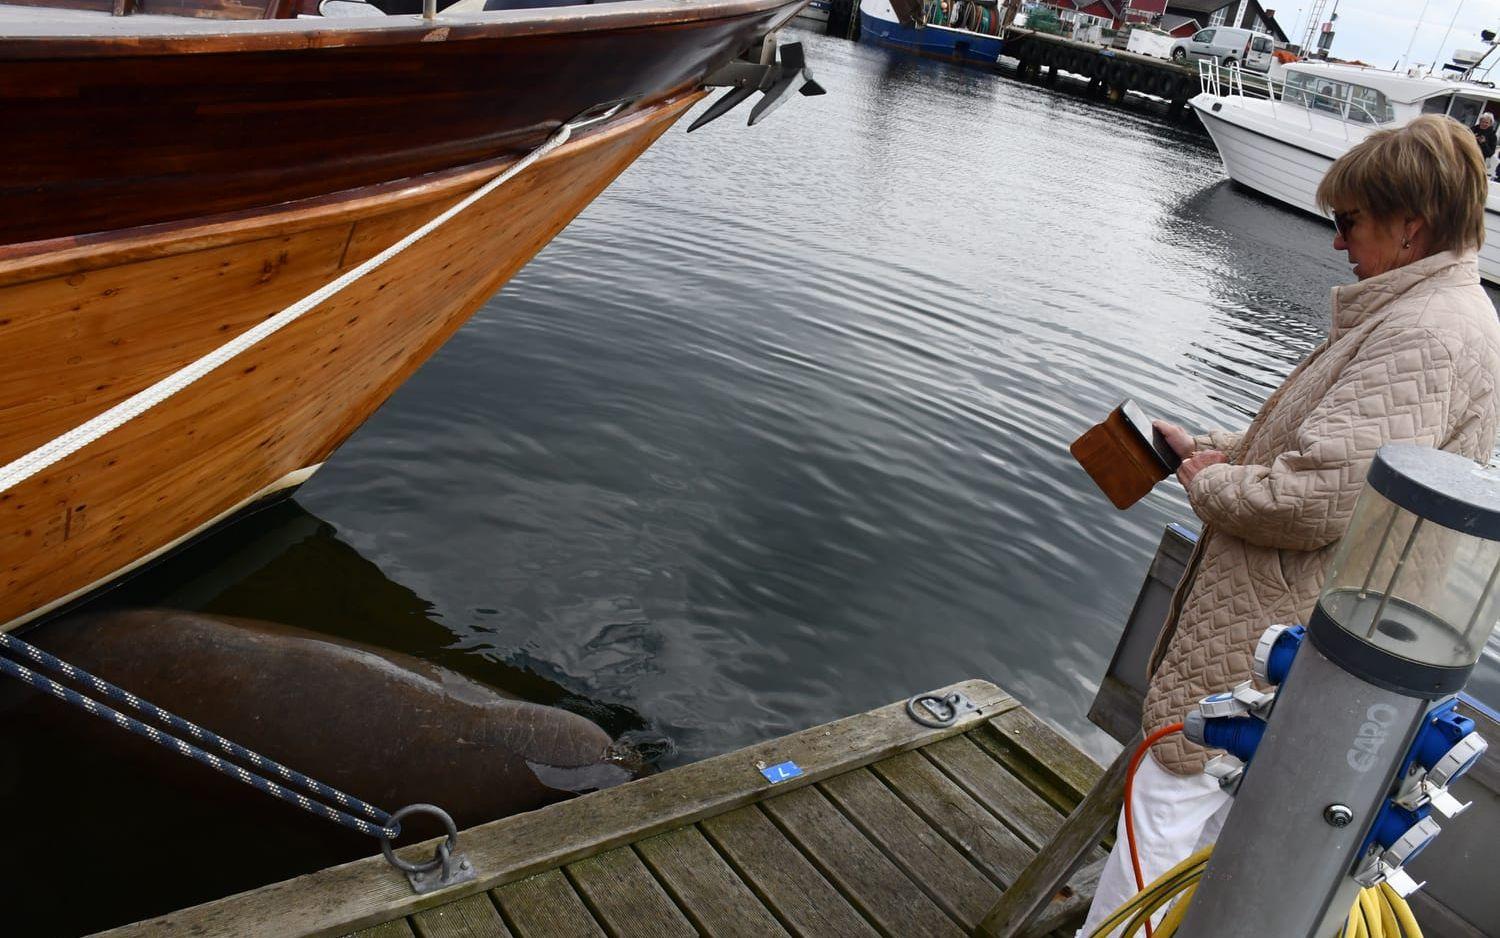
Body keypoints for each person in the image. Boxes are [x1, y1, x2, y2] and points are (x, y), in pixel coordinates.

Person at [1078, 114, 1500, 936]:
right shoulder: (1433, 317)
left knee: (1154, 846)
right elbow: (1324, 454)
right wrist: (1209, 449)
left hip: (1260, 655)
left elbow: (1315, 501)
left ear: (1411, 226)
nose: (1338, 242)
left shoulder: (1425, 336)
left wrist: (1210, 485)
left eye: (1351, 222)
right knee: (1212, 854)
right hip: (1294, 650)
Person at [1472, 112, 1497, 179]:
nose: (1484, 124)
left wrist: (1483, 143)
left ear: (1490, 124)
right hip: (1465, 156)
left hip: (1478, 161)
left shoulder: (1492, 136)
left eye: (1486, 122)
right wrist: (1471, 138)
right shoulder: (1472, 129)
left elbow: (1490, 153)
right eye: (1482, 121)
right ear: (1479, 121)